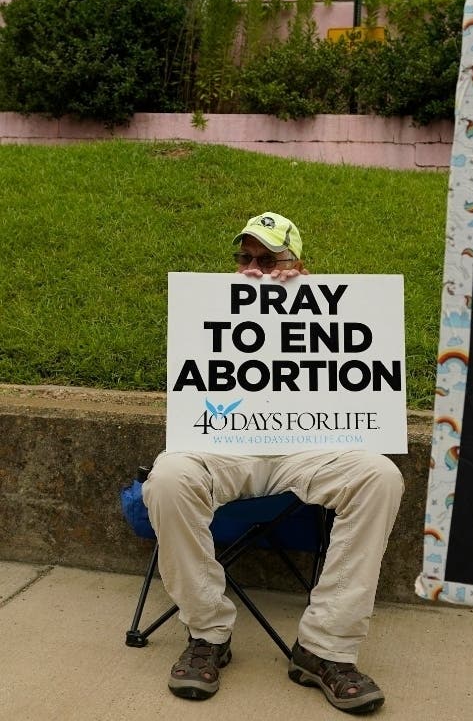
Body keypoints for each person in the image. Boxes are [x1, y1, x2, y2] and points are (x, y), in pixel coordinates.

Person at [142, 211, 404, 714]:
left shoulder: (325, 303)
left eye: (270, 258)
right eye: (246, 257)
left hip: (307, 445)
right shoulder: (209, 304)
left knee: (379, 475)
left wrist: (303, 293)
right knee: (168, 480)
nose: (256, 268)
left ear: (296, 261)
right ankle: (208, 635)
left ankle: (325, 649)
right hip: (224, 444)